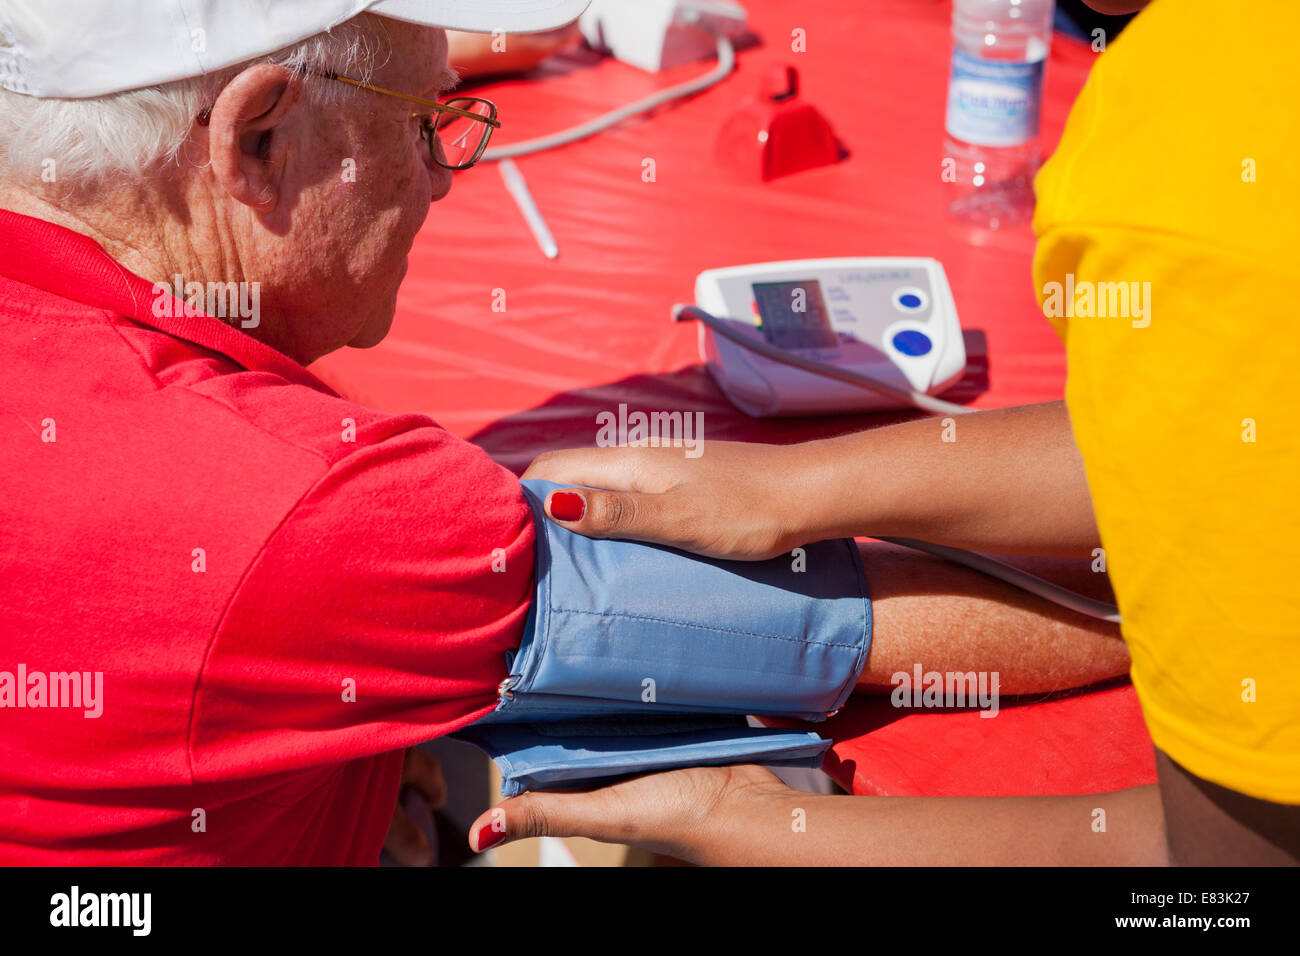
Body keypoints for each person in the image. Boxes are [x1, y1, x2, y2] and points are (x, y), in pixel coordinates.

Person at [0, 0, 1121, 866]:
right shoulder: (296, 505)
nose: (445, 181)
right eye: (426, 125)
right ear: (255, 139)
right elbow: (859, 626)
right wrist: (1204, 618)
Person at [471, 0, 1300, 865]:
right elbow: (1174, 447)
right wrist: (796, 489)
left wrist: (773, 828)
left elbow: (1210, 884)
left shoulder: (1182, 149)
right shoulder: (1209, 93)